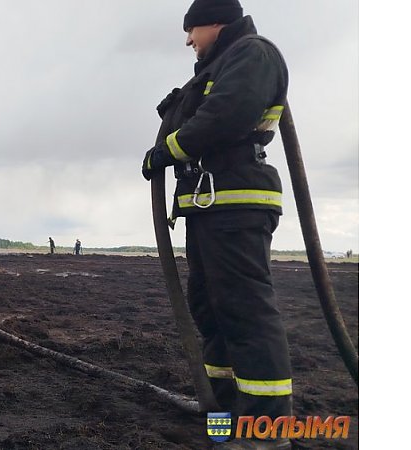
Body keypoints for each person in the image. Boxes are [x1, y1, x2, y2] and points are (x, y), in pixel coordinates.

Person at [140, 1, 292, 447]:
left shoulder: (253, 53)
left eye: (191, 30)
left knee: (245, 309)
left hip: (235, 201)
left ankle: (266, 430)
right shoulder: (219, 65)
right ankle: (222, 409)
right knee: (211, 308)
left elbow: (225, 115)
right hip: (209, 204)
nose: (189, 40)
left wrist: (166, 151)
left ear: (214, 23)